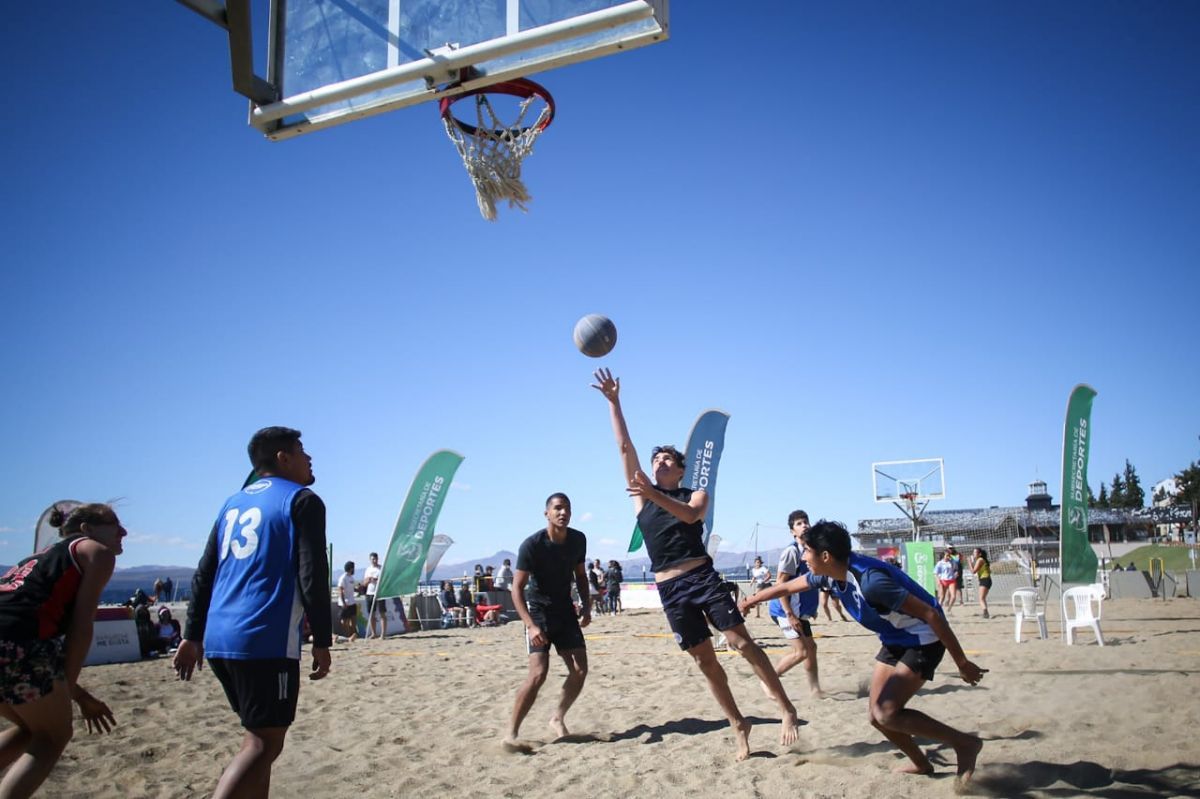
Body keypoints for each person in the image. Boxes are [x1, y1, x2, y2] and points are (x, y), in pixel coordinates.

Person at [592, 367, 799, 760]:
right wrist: (614, 402)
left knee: (740, 642)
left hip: (701, 576)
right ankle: (739, 723)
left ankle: (786, 708)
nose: (658, 463)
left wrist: (654, 495)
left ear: (680, 469)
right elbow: (624, 448)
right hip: (669, 589)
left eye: (666, 459)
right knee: (705, 661)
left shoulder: (695, 494)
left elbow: (689, 517)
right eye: (655, 460)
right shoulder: (643, 496)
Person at [740, 520, 985, 785]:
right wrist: (750, 600)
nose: (803, 556)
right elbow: (787, 587)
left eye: (807, 551)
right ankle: (921, 763)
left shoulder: (871, 582)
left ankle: (964, 743)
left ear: (825, 556)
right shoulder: (829, 573)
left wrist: (961, 662)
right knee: (877, 718)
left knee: (887, 713)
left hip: (923, 638)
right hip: (894, 638)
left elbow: (931, 614)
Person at [174, 426, 332, 799]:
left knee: (257, 738)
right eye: (302, 450)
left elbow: (204, 573)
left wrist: (191, 635)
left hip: (218, 638)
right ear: (283, 458)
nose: (309, 458)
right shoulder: (303, 500)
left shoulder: (233, 503)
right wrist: (323, 641)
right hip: (263, 638)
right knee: (265, 746)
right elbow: (313, 574)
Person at [0, 503, 122, 795]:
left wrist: (78, 694)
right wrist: (69, 692)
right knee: (54, 737)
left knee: (32, 731)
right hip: (18, 644)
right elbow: (82, 627)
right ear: (86, 529)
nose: (123, 531)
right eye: (114, 524)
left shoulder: (36, 558)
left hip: (11, 644)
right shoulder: (95, 551)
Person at [505, 493, 591, 749]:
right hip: (539, 613)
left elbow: (581, 577)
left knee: (579, 670)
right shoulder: (532, 545)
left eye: (567, 509)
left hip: (565, 611)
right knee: (538, 674)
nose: (563, 513)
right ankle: (511, 733)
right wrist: (531, 625)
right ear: (547, 514)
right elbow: (516, 590)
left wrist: (587, 607)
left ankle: (557, 718)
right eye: (557, 508)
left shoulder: (578, 539)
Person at [768, 510, 822, 698]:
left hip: (799, 611)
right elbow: (780, 584)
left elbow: (811, 582)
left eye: (806, 521)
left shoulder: (812, 549)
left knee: (811, 649)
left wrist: (812, 608)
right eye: (799, 523)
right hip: (784, 610)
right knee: (801, 652)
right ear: (792, 531)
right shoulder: (792, 552)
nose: (804, 525)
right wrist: (789, 614)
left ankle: (815, 689)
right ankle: (768, 681)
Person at [362, 552, 386, 639]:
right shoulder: (368, 569)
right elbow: (364, 583)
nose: (374, 561)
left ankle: (383, 634)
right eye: (372, 559)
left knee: (382, 613)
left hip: (379, 593)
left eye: (375, 559)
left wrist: (377, 579)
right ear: (370, 560)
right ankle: (373, 633)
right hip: (370, 593)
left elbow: (385, 579)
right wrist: (368, 580)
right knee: (371, 613)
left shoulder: (381, 568)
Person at [336, 561, 359, 642]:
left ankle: (353, 635)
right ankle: (347, 635)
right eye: (353, 568)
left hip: (352, 602)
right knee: (344, 622)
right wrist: (343, 602)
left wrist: (359, 589)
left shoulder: (352, 578)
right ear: (350, 568)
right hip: (345, 603)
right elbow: (340, 590)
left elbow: (352, 589)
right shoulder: (343, 578)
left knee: (353, 621)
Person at [969, 549, 992, 619]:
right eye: (973, 552)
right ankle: (985, 612)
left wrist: (969, 562)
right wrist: (972, 562)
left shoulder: (980, 560)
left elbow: (973, 571)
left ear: (980, 554)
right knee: (983, 598)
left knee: (981, 598)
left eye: (975, 552)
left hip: (985, 579)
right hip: (986, 579)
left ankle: (986, 613)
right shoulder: (981, 560)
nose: (973, 554)